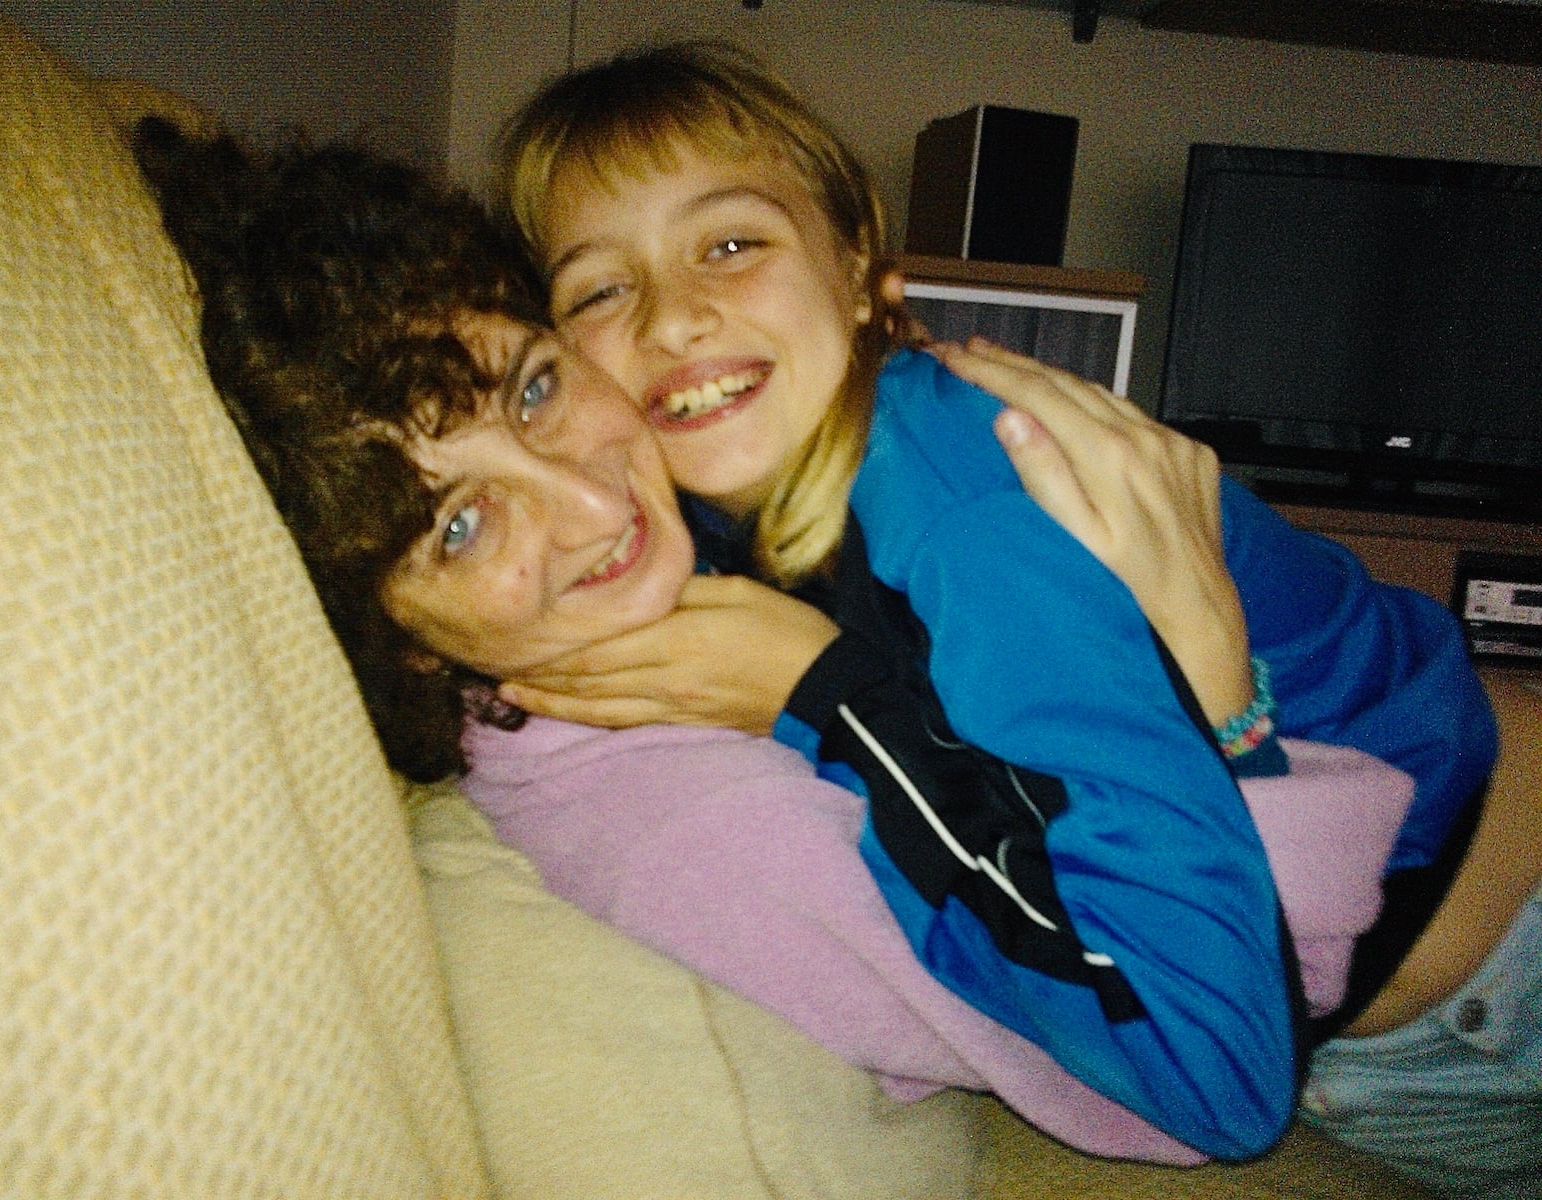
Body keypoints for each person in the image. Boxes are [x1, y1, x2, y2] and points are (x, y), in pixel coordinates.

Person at [132, 121, 1422, 1169]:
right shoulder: (675, 817)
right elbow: (1215, 1079)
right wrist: (845, 700)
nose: (593, 506)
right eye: (460, 525)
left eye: (533, 387)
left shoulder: (789, 505)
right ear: (393, 643)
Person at [491, 43, 1539, 1191]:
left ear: (853, 269)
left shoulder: (964, 504)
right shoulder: (721, 514)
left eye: (731, 244)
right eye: (597, 288)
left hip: (1506, 956)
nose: (672, 317)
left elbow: (1217, 1085)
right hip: (1407, 1023)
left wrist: (825, 700)